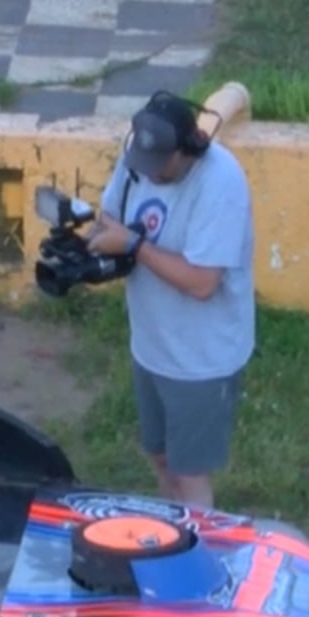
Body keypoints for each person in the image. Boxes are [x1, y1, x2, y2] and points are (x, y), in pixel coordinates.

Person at [82, 90, 257, 510]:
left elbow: (201, 283)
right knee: (161, 458)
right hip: (152, 347)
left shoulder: (221, 184)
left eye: (162, 165)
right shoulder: (141, 159)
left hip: (201, 360)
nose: (150, 175)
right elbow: (110, 214)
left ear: (189, 149)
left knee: (189, 473)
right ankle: (172, 537)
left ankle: (199, 560)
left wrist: (134, 245)